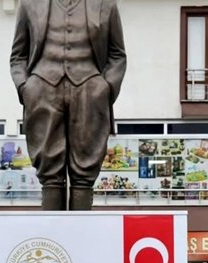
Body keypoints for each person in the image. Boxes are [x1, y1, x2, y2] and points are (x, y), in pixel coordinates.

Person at [9, 0, 126, 211]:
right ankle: (53, 236)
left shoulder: (106, 4)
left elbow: (117, 54)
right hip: (43, 89)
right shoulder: (29, 4)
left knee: (85, 170)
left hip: (89, 89)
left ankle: (80, 236)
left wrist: (105, 87)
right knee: (49, 171)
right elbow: (18, 55)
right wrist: (26, 88)